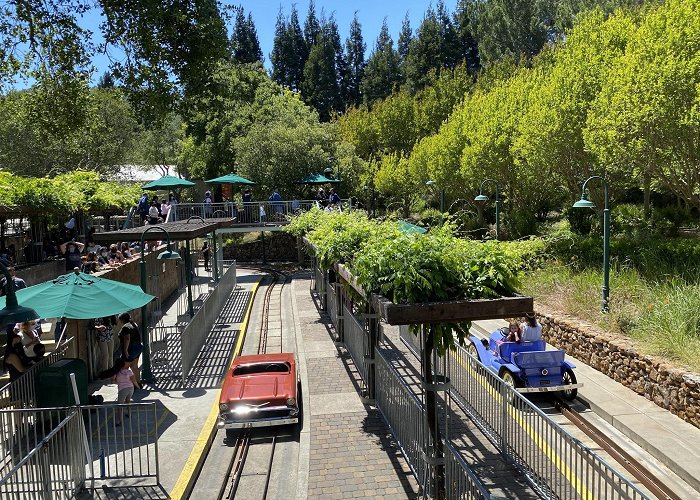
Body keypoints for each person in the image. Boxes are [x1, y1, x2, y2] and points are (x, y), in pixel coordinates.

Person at [117, 313, 143, 388]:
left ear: (121, 320)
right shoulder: (134, 324)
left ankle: (127, 386)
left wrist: (125, 350)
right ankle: (138, 383)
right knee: (134, 366)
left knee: (124, 369)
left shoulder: (125, 327)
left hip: (131, 348)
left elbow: (127, 339)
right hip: (138, 347)